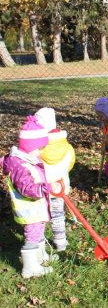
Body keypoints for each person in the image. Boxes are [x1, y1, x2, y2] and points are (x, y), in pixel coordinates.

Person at [1, 115, 63, 278]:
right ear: (30, 146)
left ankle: (41, 256)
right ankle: (30, 267)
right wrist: (48, 188)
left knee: (38, 232)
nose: (42, 152)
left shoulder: (26, 159)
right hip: (30, 210)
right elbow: (28, 188)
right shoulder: (20, 167)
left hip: (36, 209)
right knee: (32, 237)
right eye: (40, 148)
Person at [35, 107, 76, 252]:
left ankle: (38, 243)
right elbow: (70, 163)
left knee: (39, 217)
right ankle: (61, 243)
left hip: (42, 188)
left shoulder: (37, 148)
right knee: (58, 215)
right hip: (60, 187)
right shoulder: (66, 146)